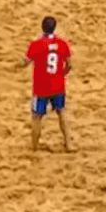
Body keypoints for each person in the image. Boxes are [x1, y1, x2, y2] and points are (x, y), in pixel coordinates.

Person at [20, 16, 73, 152]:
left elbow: (26, 61)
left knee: (36, 116)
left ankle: (34, 146)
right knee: (61, 113)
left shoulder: (36, 45)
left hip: (41, 87)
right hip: (58, 85)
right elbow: (69, 64)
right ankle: (68, 143)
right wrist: (61, 74)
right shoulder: (62, 43)